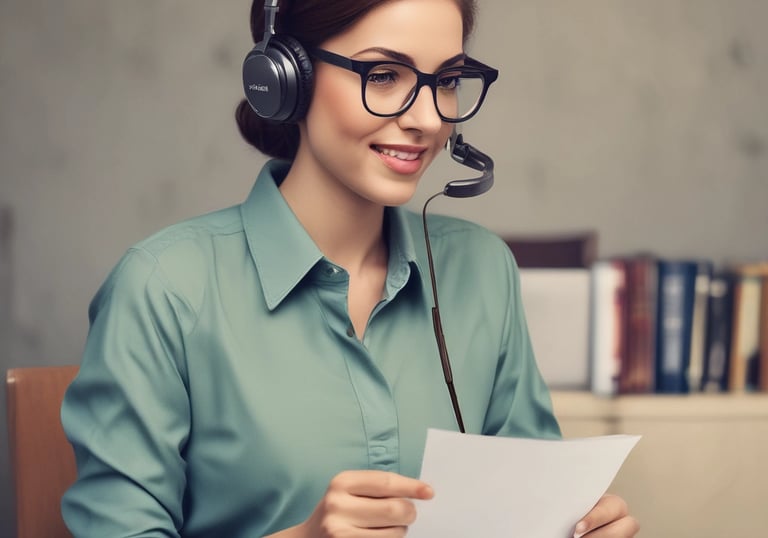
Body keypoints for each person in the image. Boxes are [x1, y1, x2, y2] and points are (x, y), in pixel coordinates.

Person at [60, 0, 640, 537]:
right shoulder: (162, 288)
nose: (428, 120)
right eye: (384, 75)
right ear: (286, 80)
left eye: (446, 81)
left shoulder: (483, 269)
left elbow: (527, 511)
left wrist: (571, 528)